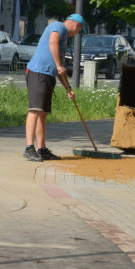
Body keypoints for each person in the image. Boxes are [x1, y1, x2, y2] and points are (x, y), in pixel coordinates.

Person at [23, 14, 84, 161]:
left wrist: (68, 88)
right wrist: (58, 65)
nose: (76, 34)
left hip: (48, 75)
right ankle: (29, 148)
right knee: (35, 110)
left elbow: (60, 69)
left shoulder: (64, 40)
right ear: (76, 26)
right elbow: (52, 42)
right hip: (38, 72)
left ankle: (42, 149)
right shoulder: (59, 27)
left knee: (42, 113)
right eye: (78, 31)